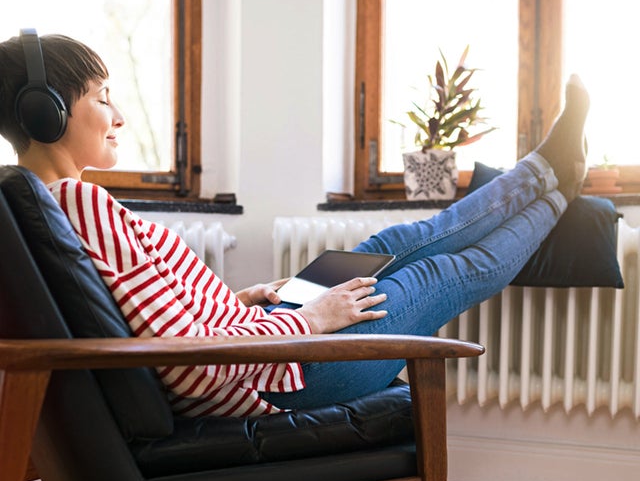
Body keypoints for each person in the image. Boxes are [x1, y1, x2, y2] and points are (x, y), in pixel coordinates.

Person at [0, 32, 590, 417]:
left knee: (392, 243)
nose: (119, 115)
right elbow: (183, 358)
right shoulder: (77, 204)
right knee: (444, 269)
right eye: (104, 97)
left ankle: (549, 172)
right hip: (283, 368)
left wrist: (240, 300)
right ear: (45, 110)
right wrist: (313, 319)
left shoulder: (49, 203)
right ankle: (559, 185)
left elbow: (142, 319)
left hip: (264, 333)